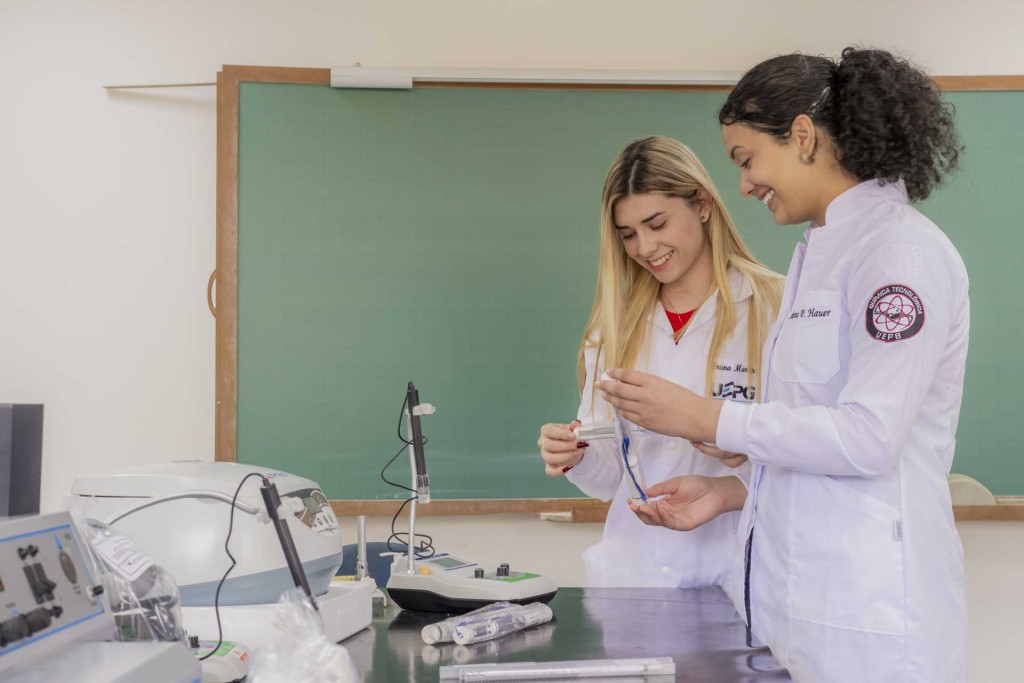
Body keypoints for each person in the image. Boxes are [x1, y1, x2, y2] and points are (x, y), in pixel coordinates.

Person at [598, 48, 969, 682]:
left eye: (746, 159)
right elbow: (813, 433)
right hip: (797, 612)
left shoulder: (898, 254)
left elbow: (870, 438)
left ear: (802, 136)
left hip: (870, 619)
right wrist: (730, 490)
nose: (744, 185)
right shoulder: (820, 254)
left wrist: (707, 417)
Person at [536, 136, 783, 589]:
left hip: (737, 573)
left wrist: (733, 447)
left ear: (702, 205)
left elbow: (808, 454)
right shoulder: (612, 327)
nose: (645, 247)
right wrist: (576, 456)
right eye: (628, 234)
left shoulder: (777, 307)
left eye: (657, 224)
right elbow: (610, 480)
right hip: (633, 577)